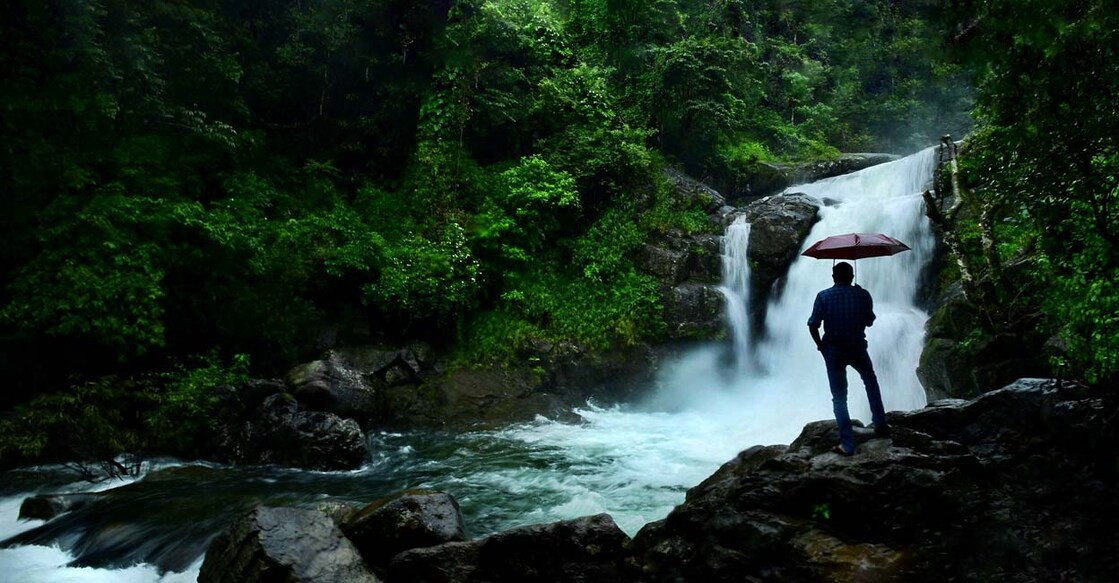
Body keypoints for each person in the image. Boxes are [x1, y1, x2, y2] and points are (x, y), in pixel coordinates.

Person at [807, 261, 891, 456]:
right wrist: (862, 298)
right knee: (870, 382)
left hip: (834, 350)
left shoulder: (824, 296)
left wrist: (820, 345)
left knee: (839, 397)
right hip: (857, 348)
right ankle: (880, 424)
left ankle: (847, 444)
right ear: (852, 276)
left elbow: (813, 324)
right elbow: (869, 322)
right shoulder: (862, 294)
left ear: (833, 277)